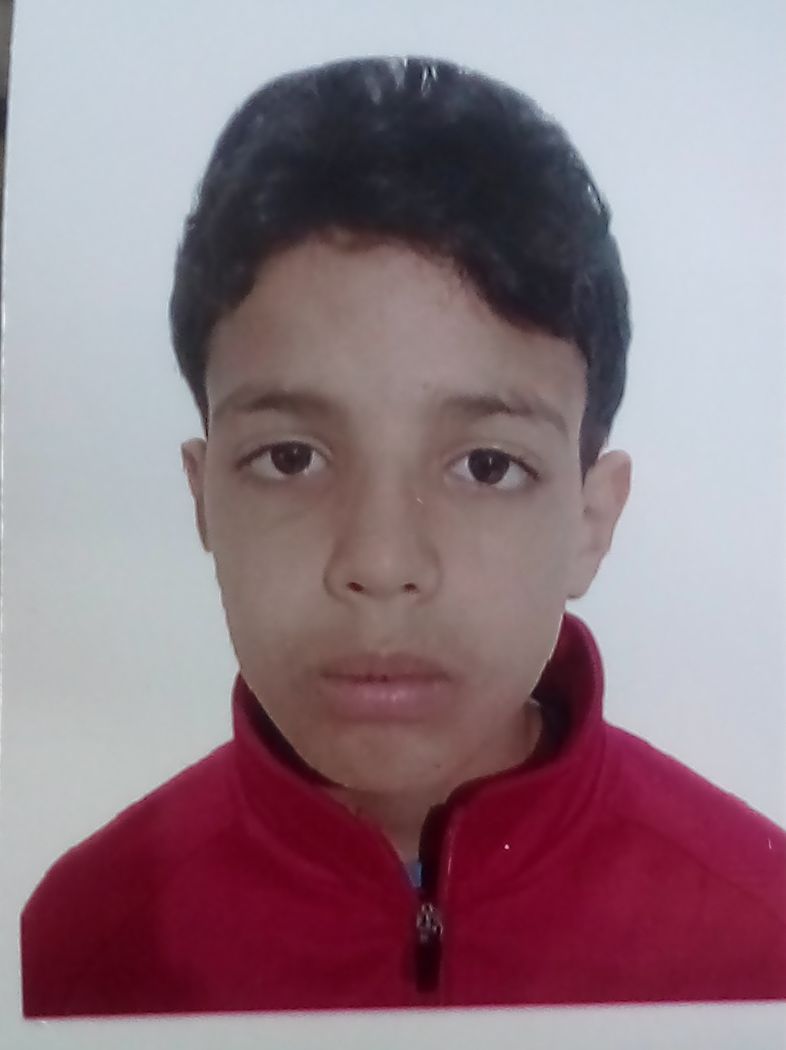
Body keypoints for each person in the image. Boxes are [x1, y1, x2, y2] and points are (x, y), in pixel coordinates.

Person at [21, 55, 786, 1017]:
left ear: (592, 522)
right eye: (292, 458)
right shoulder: (71, 946)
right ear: (204, 498)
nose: (380, 565)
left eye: (487, 466)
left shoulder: (762, 932)